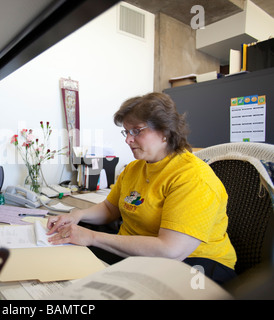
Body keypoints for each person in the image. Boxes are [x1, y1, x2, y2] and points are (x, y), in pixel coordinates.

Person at [47, 92, 237, 285]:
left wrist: (92, 237)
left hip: (195, 265)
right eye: (126, 132)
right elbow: (109, 209)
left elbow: (170, 250)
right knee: (69, 262)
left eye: (136, 131)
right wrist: (77, 215)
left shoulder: (193, 177)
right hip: (136, 254)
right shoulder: (133, 169)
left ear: (165, 132)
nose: (128, 140)